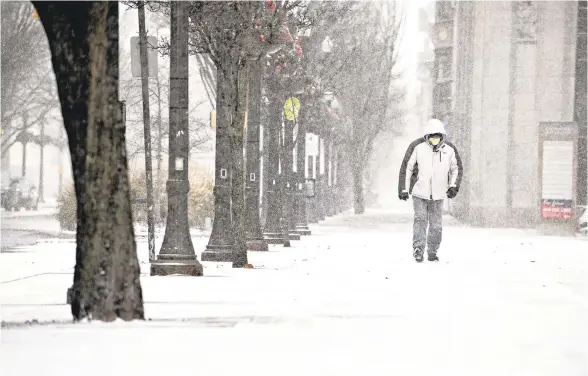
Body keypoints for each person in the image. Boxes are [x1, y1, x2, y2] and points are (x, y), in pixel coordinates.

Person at [397, 119, 463, 263]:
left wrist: (453, 186)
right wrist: (403, 188)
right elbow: (407, 167)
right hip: (419, 192)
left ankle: (432, 251)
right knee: (420, 219)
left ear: (442, 136)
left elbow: (456, 168)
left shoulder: (449, 150)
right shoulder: (417, 147)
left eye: (438, 136)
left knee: (436, 225)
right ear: (427, 136)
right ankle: (418, 249)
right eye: (432, 136)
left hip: (438, 194)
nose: (435, 139)